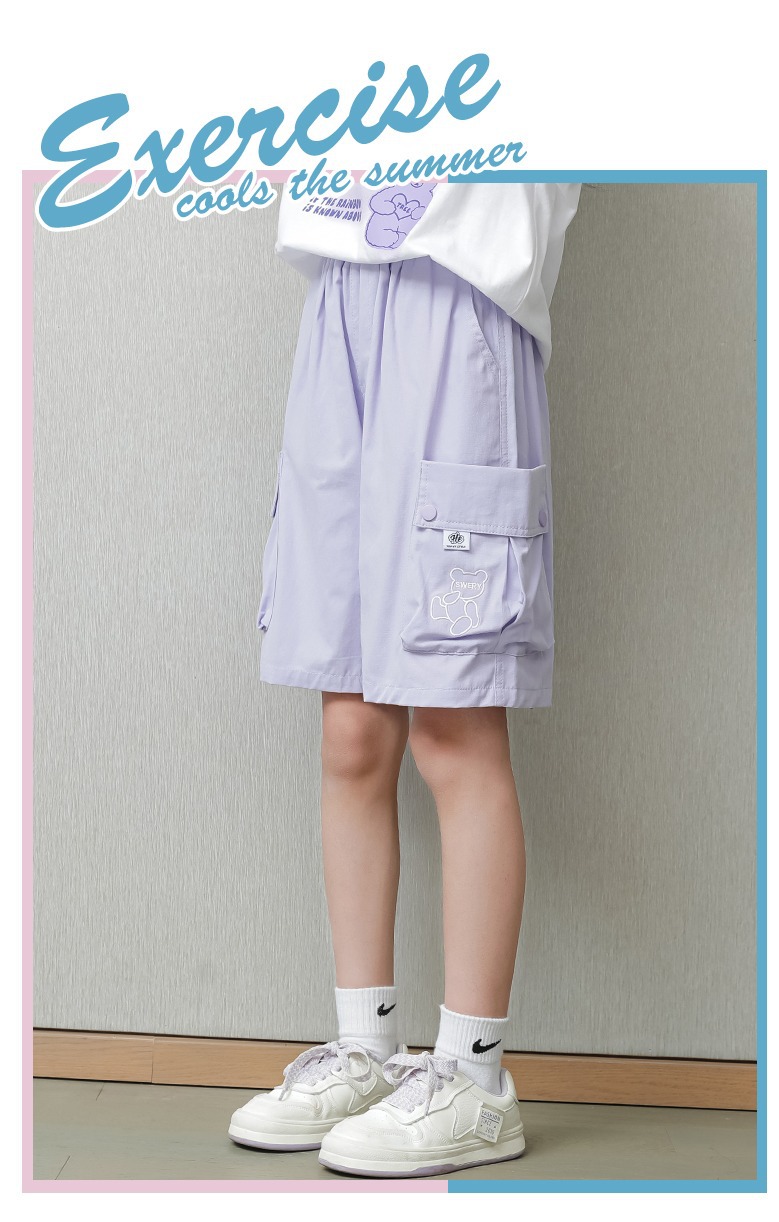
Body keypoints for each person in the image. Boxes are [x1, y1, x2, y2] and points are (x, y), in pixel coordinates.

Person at [228, 180, 582, 1178]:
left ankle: (474, 1078)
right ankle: (367, 1049)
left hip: (462, 294)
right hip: (340, 295)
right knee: (350, 722)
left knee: (452, 725)